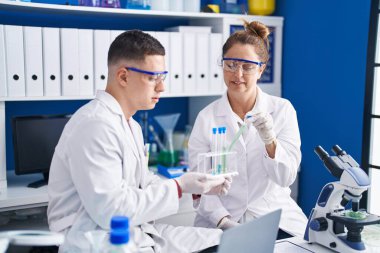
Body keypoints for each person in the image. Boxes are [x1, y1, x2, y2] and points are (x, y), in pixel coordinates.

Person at [47, 30, 232, 253]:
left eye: (162, 77)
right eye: (153, 78)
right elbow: (111, 211)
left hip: (137, 233)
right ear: (123, 76)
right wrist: (178, 187)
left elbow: (142, 182)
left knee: (225, 241)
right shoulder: (94, 125)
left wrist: (193, 186)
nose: (161, 87)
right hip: (97, 241)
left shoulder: (130, 124)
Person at [188, 20, 308, 238]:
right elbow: (199, 185)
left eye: (247, 66)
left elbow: (286, 177)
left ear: (261, 69)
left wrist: (270, 141)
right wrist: (224, 221)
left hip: (275, 219)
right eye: (231, 64)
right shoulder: (206, 118)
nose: (238, 74)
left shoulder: (282, 110)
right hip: (221, 223)